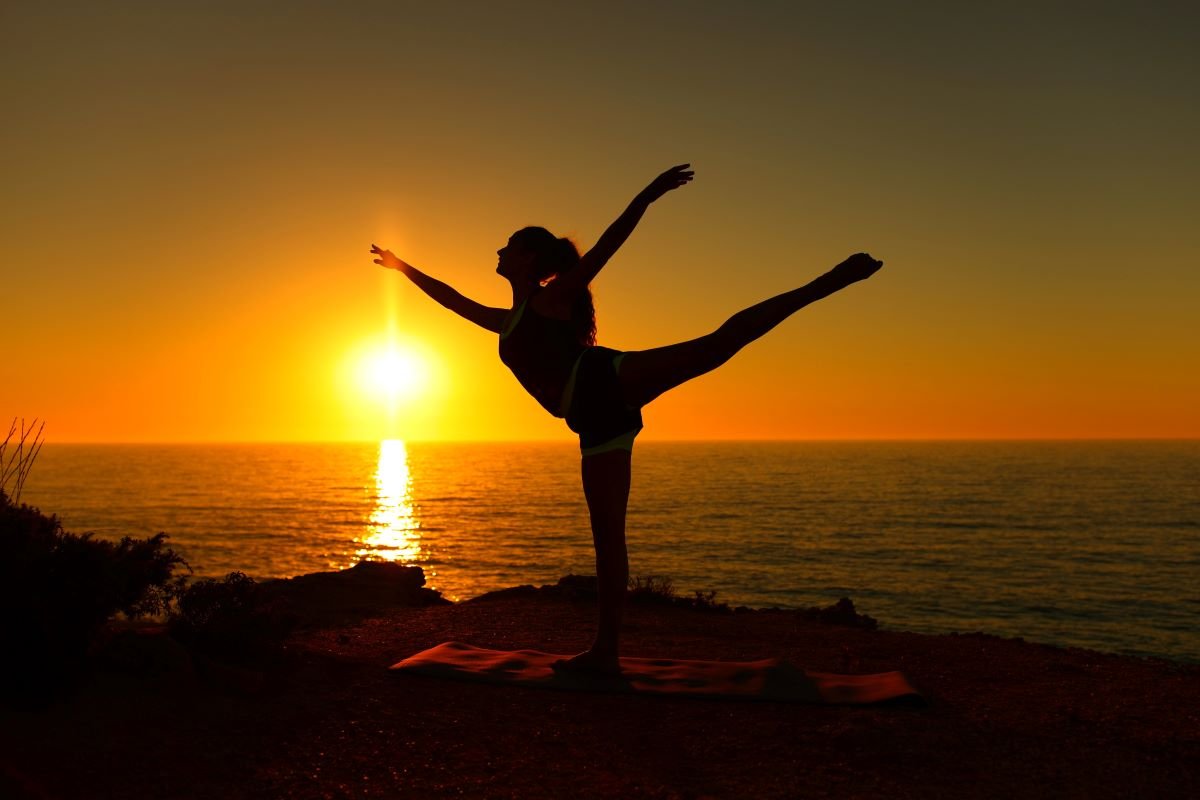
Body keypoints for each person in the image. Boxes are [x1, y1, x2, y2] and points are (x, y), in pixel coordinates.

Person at [371, 164, 882, 675]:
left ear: (527, 257)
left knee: (716, 346)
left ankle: (829, 282)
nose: (498, 251)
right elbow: (451, 298)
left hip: (603, 381)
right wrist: (402, 268)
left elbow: (609, 245)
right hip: (593, 422)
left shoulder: (556, 296)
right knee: (607, 536)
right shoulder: (508, 319)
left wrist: (649, 194)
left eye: (507, 245)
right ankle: (605, 653)